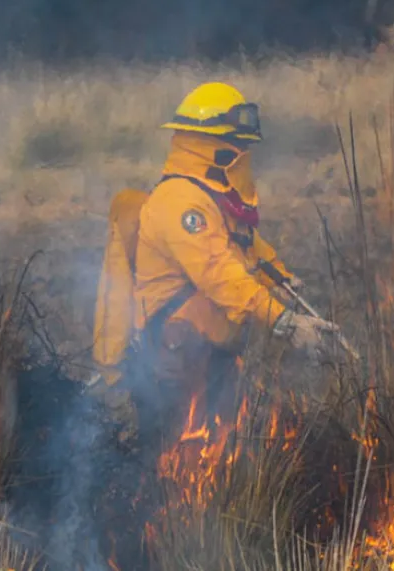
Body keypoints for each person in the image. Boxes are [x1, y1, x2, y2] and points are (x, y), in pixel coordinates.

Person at [86, 81, 344, 451]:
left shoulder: (212, 198)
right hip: (176, 357)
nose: (244, 153)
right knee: (170, 457)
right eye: (238, 144)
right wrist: (284, 322)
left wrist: (281, 280)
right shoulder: (180, 203)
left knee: (216, 448)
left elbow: (246, 246)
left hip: (211, 352)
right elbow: (219, 273)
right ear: (212, 146)